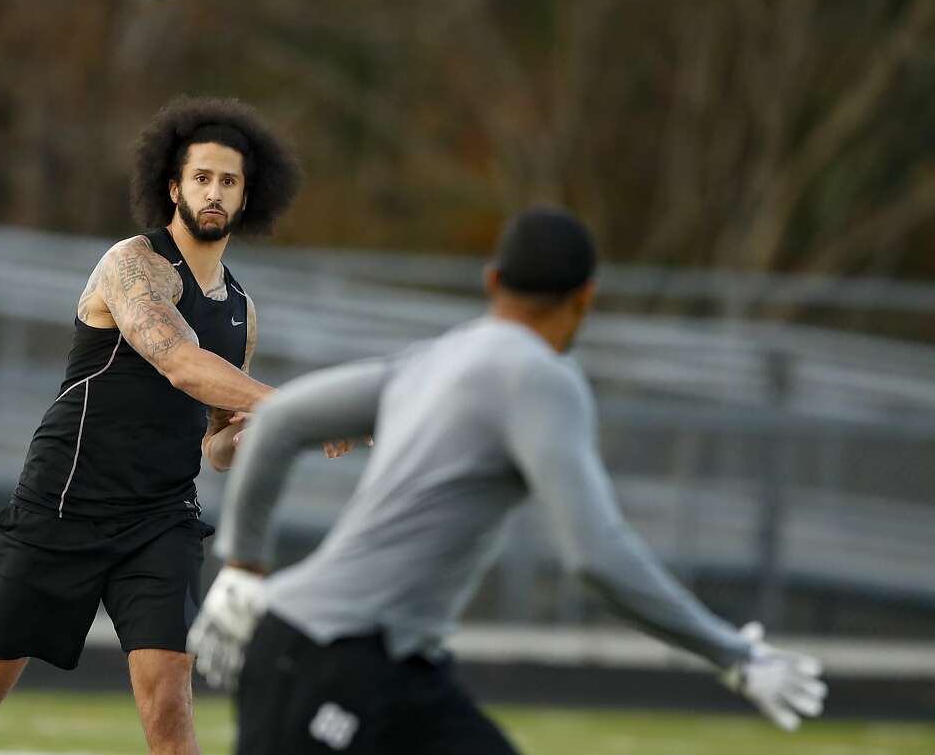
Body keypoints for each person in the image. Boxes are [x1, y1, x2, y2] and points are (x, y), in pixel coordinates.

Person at [188, 207, 827, 755]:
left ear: (493, 281)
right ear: (585, 298)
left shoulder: (435, 356)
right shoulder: (545, 377)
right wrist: (734, 656)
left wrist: (243, 568)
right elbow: (596, 557)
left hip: (382, 662)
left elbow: (278, 425)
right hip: (336, 657)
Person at [0, 96, 330, 755]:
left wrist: (247, 431)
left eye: (229, 180)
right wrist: (295, 410)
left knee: (169, 703)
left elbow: (216, 445)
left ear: (248, 195)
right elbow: (180, 365)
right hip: (64, 501)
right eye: (201, 176)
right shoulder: (132, 264)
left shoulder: (244, 310)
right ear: (173, 185)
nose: (214, 191)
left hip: (159, 518)